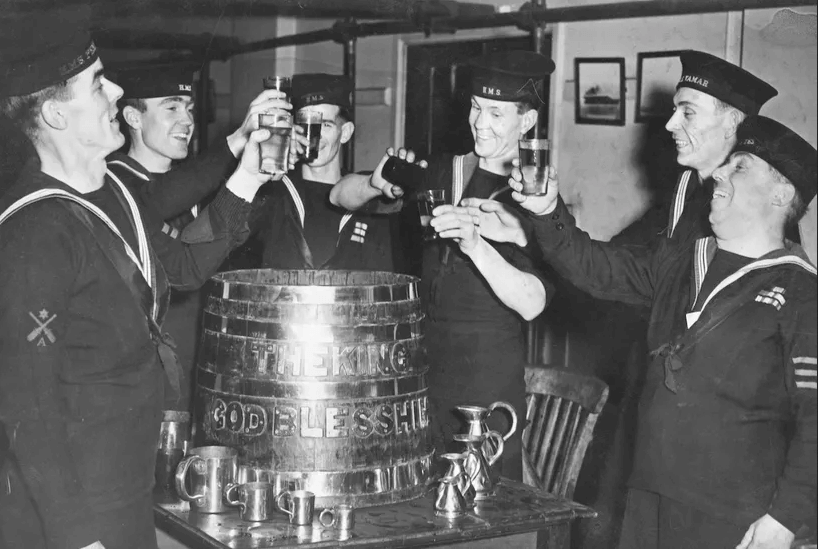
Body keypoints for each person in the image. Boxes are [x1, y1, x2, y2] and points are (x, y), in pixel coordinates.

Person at [0, 7, 279, 548]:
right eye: (99, 83)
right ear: (56, 116)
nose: (117, 91)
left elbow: (185, 267)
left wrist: (247, 170)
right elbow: (26, 405)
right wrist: (77, 537)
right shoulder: (33, 231)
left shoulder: (116, 193)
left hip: (128, 490)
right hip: (71, 514)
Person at [476, 115, 816, 548]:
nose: (718, 174)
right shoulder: (680, 262)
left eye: (740, 167)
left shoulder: (799, 290)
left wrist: (784, 519)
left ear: (781, 194)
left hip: (732, 514)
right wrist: (547, 211)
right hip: (648, 495)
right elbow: (593, 266)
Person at [329, 50, 555, 480]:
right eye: (474, 107)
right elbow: (338, 196)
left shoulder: (536, 195)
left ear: (526, 123)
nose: (479, 122)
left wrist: (475, 243)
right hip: (426, 366)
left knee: (485, 512)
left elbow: (532, 302)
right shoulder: (441, 171)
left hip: (486, 375)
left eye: (495, 112)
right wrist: (375, 184)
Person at [106, 66, 294, 411]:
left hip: (205, 361)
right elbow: (161, 210)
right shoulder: (114, 182)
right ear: (133, 116)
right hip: (147, 375)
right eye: (172, 107)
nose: (187, 120)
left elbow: (214, 242)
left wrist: (268, 175)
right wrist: (238, 140)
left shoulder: (199, 179)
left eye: (190, 108)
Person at [228, 73, 394, 271]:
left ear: (346, 133)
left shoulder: (368, 197)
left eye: (324, 125)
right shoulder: (273, 190)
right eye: (304, 124)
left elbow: (382, 281)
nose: (313, 135)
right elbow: (226, 237)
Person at [660, 50, 778, 245]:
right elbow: (634, 251)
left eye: (688, 112)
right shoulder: (686, 185)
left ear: (731, 123)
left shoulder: (752, 210)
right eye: (675, 110)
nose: (670, 124)